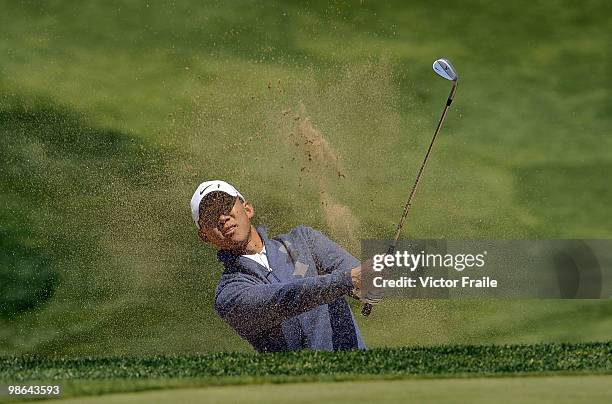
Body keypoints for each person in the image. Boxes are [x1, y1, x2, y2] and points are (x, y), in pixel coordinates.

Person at [190, 180, 378, 352]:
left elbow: (359, 273)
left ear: (248, 209)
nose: (222, 218)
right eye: (210, 215)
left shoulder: (303, 240)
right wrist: (347, 280)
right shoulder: (229, 293)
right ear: (204, 236)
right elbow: (284, 298)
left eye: (225, 206)